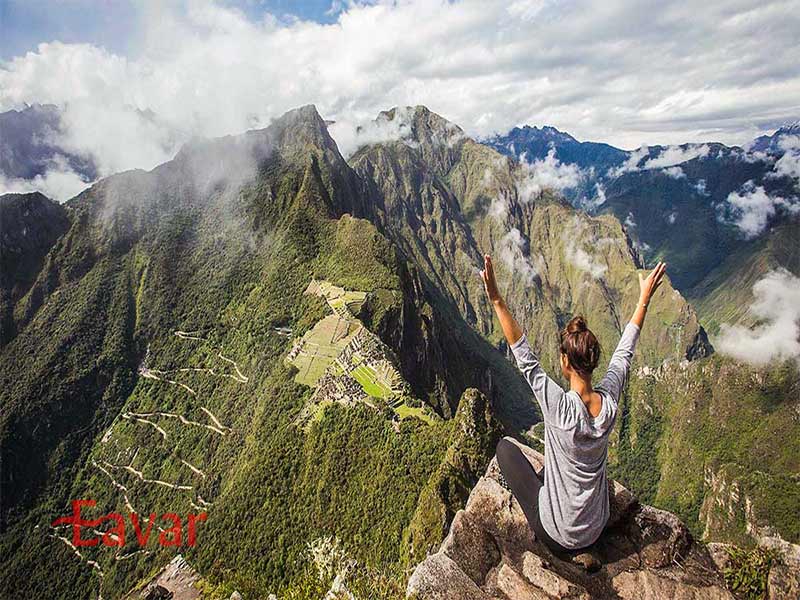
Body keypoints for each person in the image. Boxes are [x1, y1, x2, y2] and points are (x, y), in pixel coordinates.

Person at [480, 254, 667, 563]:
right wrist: (643, 299)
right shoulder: (608, 403)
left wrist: (497, 299)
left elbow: (524, 357)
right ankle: (586, 546)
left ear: (565, 362)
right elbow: (624, 354)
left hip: (558, 534)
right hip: (596, 527)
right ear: (593, 363)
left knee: (505, 450)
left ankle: (568, 556)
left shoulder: (559, 408)